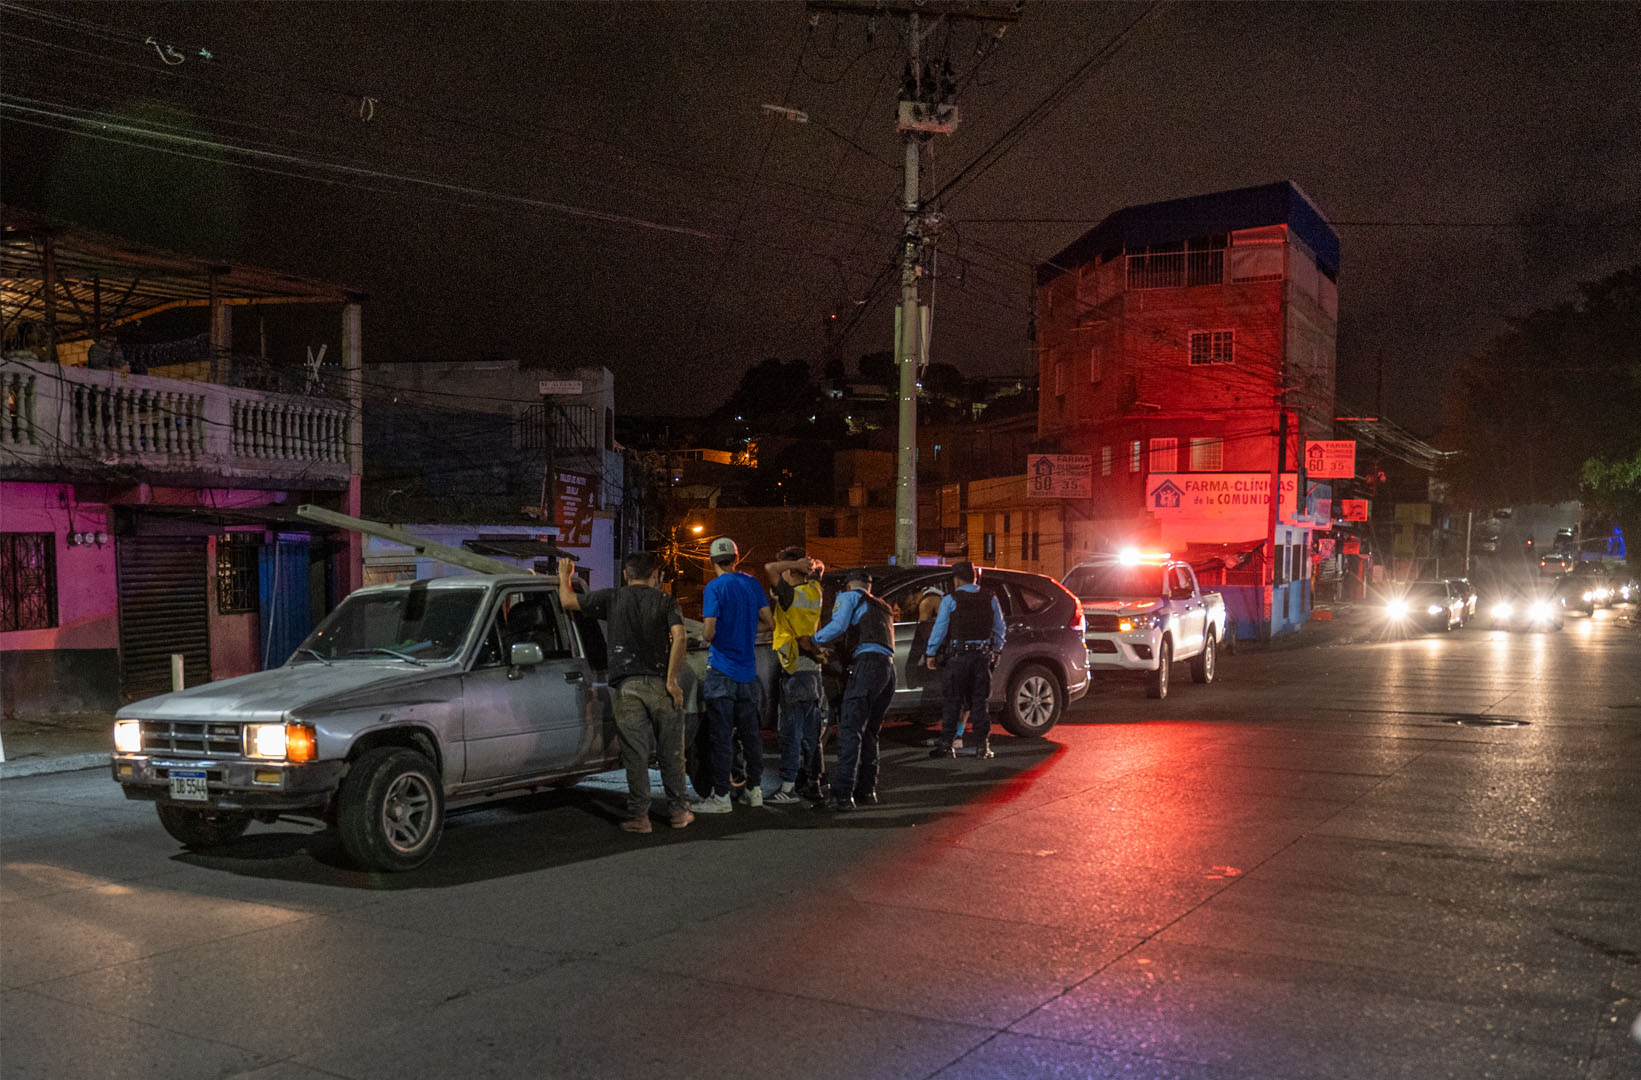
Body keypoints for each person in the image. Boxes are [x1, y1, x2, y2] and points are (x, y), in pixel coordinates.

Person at [558, 551, 692, 834]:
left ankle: (640, 817)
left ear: (625, 575)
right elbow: (680, 636)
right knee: (671, 752)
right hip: (661, 686)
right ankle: (679, 813)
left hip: (627, 687)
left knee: (635, 753)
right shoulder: (665, 601)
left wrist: (564, 576)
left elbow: (568, 601)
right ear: (655, 576)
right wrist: (672, 681)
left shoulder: (612, 598)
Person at [696, 536, 772, 814]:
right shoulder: (751, 583)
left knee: (721, 736)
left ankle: (721, 796)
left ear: (712, 561)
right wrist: (746, 631)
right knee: (751, 735)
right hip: (747, 672)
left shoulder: (714, 587)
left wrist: (716, 635)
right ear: (736, 558)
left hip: (722, 670)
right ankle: (754, 790)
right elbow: (769, 622)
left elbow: (708, 632)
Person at [811, 568, 895, 811]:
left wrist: (814, 640)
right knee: (870, 732)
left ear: (849, 585)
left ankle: (841, 795)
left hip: (867, 667)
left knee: (850, 730)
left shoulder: (849, 597)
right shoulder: (882, 606)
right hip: (888, 671)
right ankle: (867, 791)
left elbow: (838, 626)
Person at [924, 561, 1006, 761]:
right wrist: (997, 650)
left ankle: (946, 745)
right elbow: (1000, 627)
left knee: (952, 701)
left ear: (956, 579)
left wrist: (931, 653)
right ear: (975, 577)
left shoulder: (951, 599)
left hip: (958, 657)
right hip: (981, 657)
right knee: (979, 702)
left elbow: (940, 628)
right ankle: (982, 746)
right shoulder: (990, 597)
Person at [764, 547, 825, 804]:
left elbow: (768, 569)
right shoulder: (815, 591)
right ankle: (814, 783)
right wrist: (805, 565)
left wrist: (795, 564)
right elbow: (818, 569)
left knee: (790, 733)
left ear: (790, 571)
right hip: (813, 672)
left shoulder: (791, 595)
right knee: (812, 735)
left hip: (794, 670)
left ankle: (787, 788)